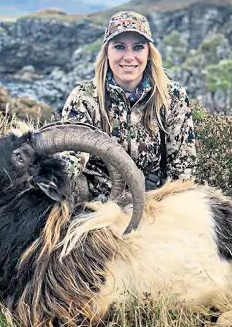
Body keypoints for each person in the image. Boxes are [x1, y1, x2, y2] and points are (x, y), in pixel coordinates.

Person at [60, 10, 197, 200]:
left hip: (155, 204)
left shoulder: (173, 97)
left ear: (149, 53)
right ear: (107, 51)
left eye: (138, 47)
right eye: (120, 47)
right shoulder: (84, 98)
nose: (129, 57)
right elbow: (73, 156)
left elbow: (183, 171)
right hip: (96, 206)